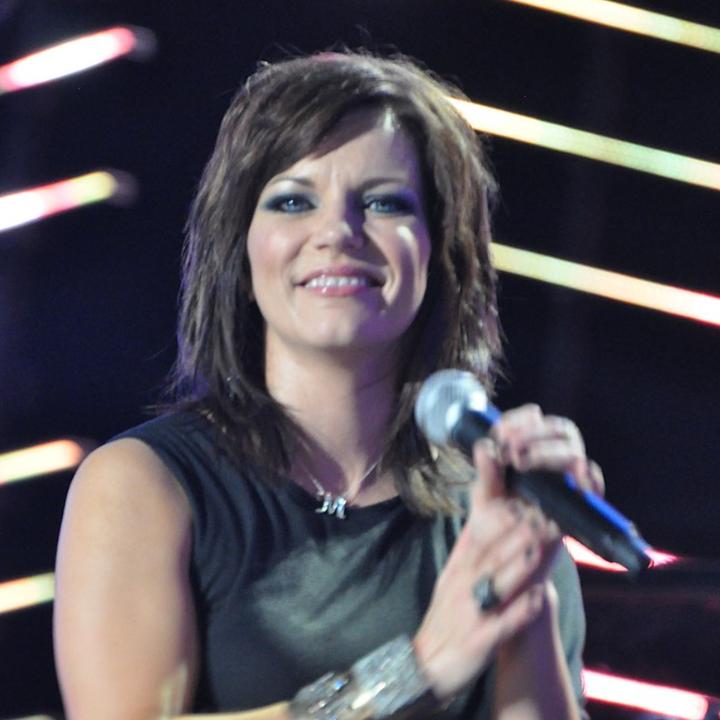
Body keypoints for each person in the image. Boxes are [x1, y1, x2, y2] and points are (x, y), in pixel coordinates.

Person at [54, 51, 603, 720]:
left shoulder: (493, 513)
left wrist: (527, 599)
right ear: (241, 252)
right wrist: (418, 668)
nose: (339, 233)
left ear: (437, 251)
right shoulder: (143, 484)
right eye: (293, 201)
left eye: (383, 202)